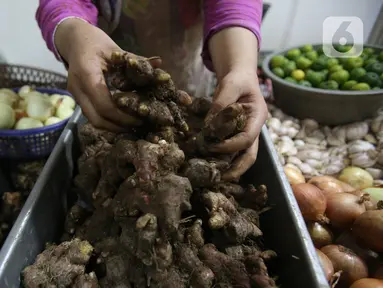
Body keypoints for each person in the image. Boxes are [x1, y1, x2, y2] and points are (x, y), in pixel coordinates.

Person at [36, 0, 268, 181]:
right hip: (105, 89)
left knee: (192, 118)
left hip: (190, 78)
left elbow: (235, 4)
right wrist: (74, 34)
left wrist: (240, 68)